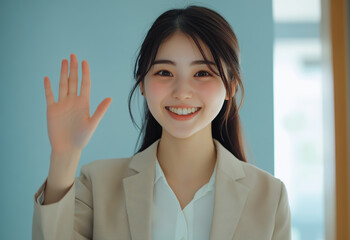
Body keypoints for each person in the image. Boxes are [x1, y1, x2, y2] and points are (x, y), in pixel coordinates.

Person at [32, 5, 291, 240]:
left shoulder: (270, 197)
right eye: (164, 72)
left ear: (230, 86)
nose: (181, 91)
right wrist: (64, 156)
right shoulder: (98, 184)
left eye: (202, 73)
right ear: (142, 84)